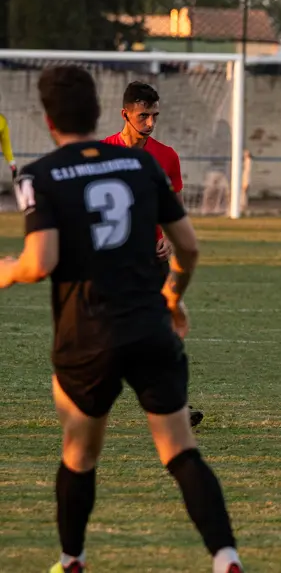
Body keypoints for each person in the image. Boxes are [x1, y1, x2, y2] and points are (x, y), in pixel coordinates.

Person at [0, 66, 243, 573]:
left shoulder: (37, 175)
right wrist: (173, 296)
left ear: (47, 120)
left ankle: (71, 558)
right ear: (102, 114)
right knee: (181, 453)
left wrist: (6, 270)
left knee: (79, 455)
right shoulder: (139, 165)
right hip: (151, 324)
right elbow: (190, 247)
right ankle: (225, 557)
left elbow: (39, 262)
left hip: (86, 336)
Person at [102, 81, 204, 427]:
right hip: (114, 261)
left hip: (155, 258)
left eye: (154, 116)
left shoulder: (167, 155)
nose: (149, 123)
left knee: (175, 323)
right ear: (125, 114)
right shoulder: (101, 154)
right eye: (143, 116)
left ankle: (173, 404)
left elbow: (173, 208)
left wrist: (171, 240)